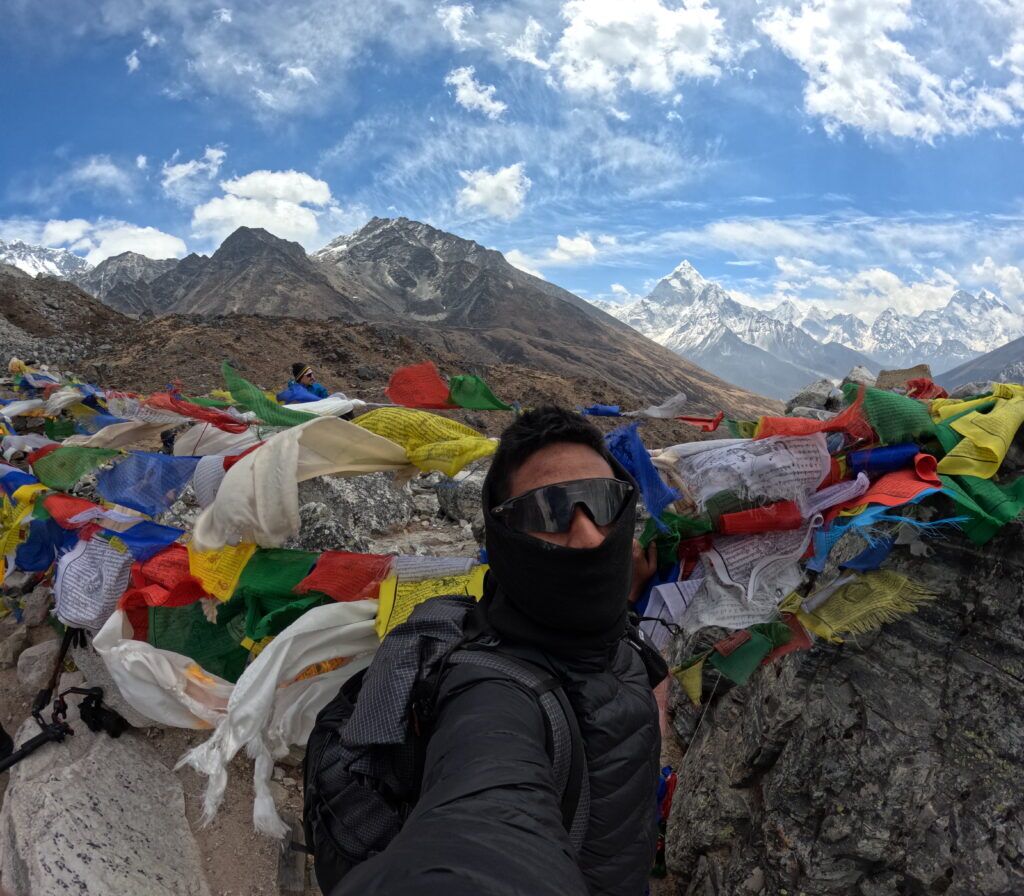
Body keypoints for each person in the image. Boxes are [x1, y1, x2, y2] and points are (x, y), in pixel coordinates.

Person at [334, 406, 664, 896]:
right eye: (548, 511)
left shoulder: (615, 640)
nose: (589, 536)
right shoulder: (490, 691)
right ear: (505, 537)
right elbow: (481, 827)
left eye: (603, 501)